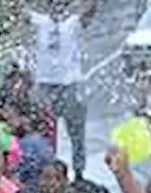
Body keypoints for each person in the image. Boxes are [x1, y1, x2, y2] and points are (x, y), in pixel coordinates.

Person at [25, 0, 97, 177]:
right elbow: (19, 12)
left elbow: (89, 9)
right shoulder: (40, 21)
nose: (56, 8)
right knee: (45, 131)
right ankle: (48, 172)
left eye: (60, 4)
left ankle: (79, 172)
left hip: (70, 85)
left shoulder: (72, 23)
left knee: (77, 132)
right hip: (45, 86)